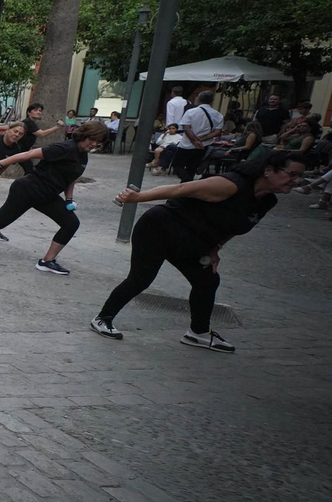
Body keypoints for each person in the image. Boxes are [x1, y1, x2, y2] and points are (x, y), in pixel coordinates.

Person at [92, 150, 306, 351]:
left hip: (192, 241)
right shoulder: (231, 185)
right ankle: (103, 318)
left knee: (208, 280)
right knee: (141, 278)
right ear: (269, 170)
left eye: (299, 176)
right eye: (292, 174)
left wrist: (215, 249)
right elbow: (181, 189)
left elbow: (234, 227)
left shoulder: (267, 201)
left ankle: (198, 333)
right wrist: (137, 198)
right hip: (159, 228)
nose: (296, 181)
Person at [0, 120, 109, 275]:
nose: (93, 144)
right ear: (84, 134)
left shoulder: (83, 156)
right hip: (28, 189)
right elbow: (29, 154)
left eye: (98, 142)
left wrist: (69, 199)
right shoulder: (65, 147)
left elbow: (71, 177)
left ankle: (47, 261)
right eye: (92, 139)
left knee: (71, 223)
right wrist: (0, 164)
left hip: (47, 195)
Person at [171, 90, 224, 182]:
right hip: (204, 145)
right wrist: (202, 139)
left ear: (199, 99)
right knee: (192, 167)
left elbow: (186, 128)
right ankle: (187, 185)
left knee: (177, 165)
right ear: (211, 101)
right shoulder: (218, 115)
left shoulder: (191, 112)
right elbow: (217, 131)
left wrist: (195, 140)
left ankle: (186, 182)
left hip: (187, 144)